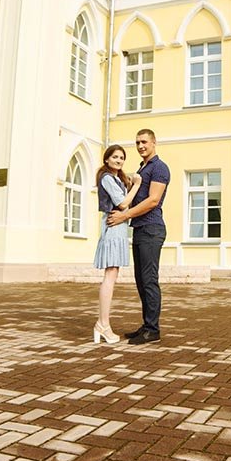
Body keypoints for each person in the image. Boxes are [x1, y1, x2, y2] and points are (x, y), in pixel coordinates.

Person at [107, 129, 169, 345]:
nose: (141, 146)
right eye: (137, 143)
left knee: (150, 280)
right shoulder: (142, 169)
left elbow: (153, 201)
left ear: (154, 142)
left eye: (144, 142)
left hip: (152, 229)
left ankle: (153, 330)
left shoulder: (160, 168)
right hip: (141, 229)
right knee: (141, 280)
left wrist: (124, 216)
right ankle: (146, 324)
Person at [93, 145, 141, 343]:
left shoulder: (116, 178)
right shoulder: (106, 178)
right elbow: (122, 203)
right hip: (113, 230)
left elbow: (125, 185)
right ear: (106, 159)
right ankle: (102, 324)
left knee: (112, 276)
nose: (119, 160)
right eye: (115, 157)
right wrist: (137, 185)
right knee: (110, 277)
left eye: (122, 157)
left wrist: (132, 179)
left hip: (118, 229)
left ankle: (102, 323)